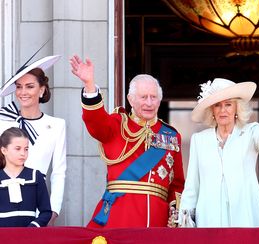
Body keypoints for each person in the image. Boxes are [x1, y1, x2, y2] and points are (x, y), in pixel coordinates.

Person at [69, 55, 185, 228]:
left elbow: (177, 184)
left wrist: (174, 214)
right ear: (131, 100)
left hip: (158, 221)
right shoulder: (117, 125)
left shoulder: (171, 135)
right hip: (119, 217)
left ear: (160, 101)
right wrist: (90, 85)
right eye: (143, 97)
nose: (149, 103)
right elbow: (96, 121)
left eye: (153, 97)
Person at [178, 77, 259, 227]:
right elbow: (192, 186)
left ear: (236, 109)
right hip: (209, 218)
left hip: (244, 216)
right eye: (217, 106)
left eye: (228, 105)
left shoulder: (249, 133)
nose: (223, 110)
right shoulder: (199, 140)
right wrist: (185, 220)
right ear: (212, 110)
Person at [0, 55, 66, 226]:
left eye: (29, 87)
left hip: (38, 204)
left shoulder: (57, 125)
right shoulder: (2, 121)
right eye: (19, 87)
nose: (23, 92)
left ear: (42, 90)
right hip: (3, 204)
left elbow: (59, 172)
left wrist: (53, 211)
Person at [0, 127, 52, 227]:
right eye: (17, 148)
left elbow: (46, 211)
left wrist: (33, 227)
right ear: (4, 150)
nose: (23, 153)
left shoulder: (36, 176)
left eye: (26, 149)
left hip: (28, 237)